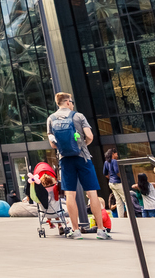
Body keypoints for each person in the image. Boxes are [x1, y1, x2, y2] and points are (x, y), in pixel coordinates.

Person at [46, 91, 111, 240]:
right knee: (91, 192)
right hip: (83, 157)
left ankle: (75, 231)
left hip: (65, 159)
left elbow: (52, 143)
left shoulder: (51, 119)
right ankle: (101, 230)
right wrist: (83, 145)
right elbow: (89, 136)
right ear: (68, 102)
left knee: (70, 194)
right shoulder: (78, 116)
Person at [103, 149, 126, 218]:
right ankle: (131, 216)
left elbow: (105, 173)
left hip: (111, 183)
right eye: (116, 154)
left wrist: (111, 178)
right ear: (113, 154)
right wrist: (123, 178)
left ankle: (121, 217)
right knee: (126, 200)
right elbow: (117, 171)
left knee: (118, 202)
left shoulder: (106, 162)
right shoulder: (114, 161)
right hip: (118, 183)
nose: (117, 155)